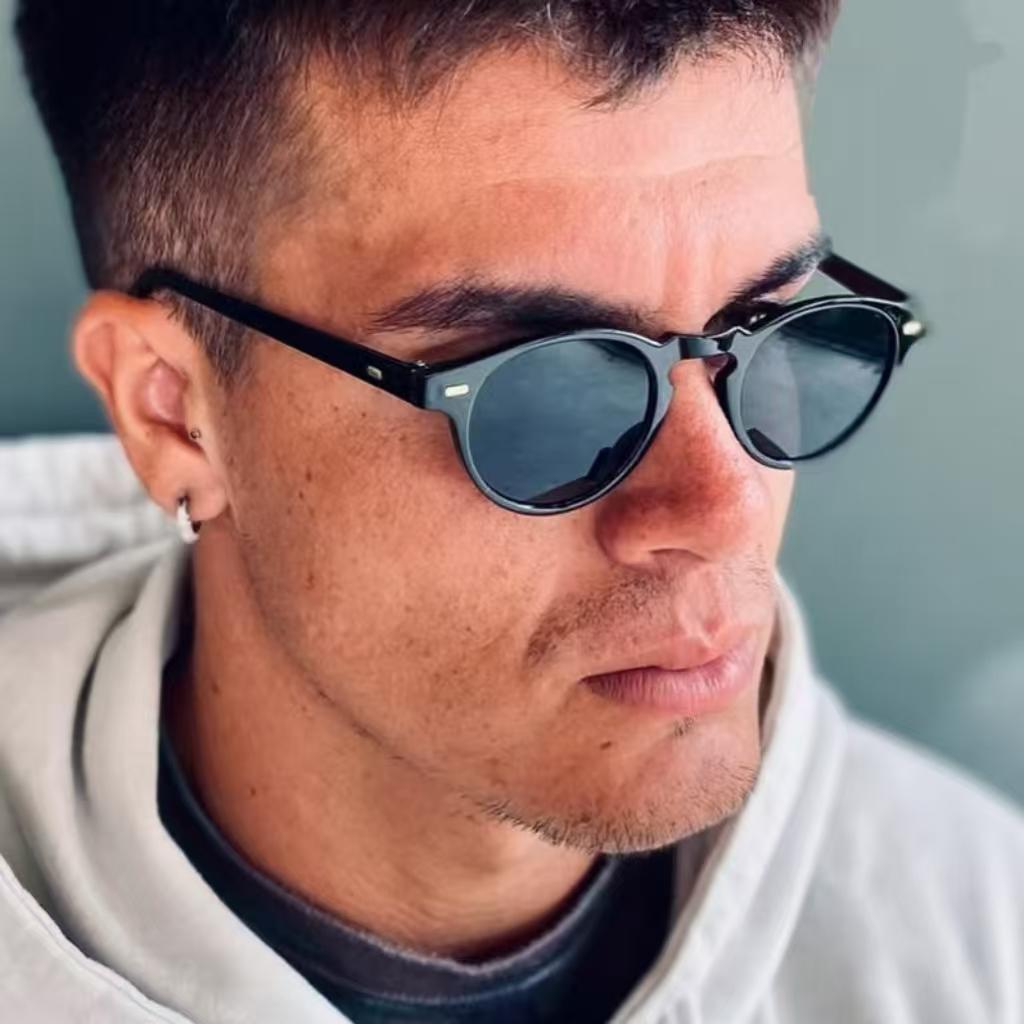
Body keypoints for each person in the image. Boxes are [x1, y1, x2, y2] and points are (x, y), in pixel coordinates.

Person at [2, 2, 1022, 1022]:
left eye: (765, 329)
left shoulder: (979, 943)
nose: (724, 506)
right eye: (544, 391)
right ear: (172, 411)